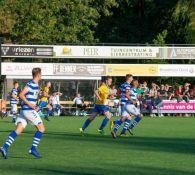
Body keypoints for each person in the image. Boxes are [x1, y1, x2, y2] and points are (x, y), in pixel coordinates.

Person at [0, 68, 45, 159]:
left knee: (18, 130)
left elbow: (30, 96)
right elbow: (21, 95)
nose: (41, 76)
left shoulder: (35, 85)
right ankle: (33, 148)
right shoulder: (31, 84)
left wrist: (35, 104)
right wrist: (30, 105)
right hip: (28, 110)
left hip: (25, 111)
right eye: (41, 74)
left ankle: (4, 147)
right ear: (38, 75)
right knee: (41, 129)